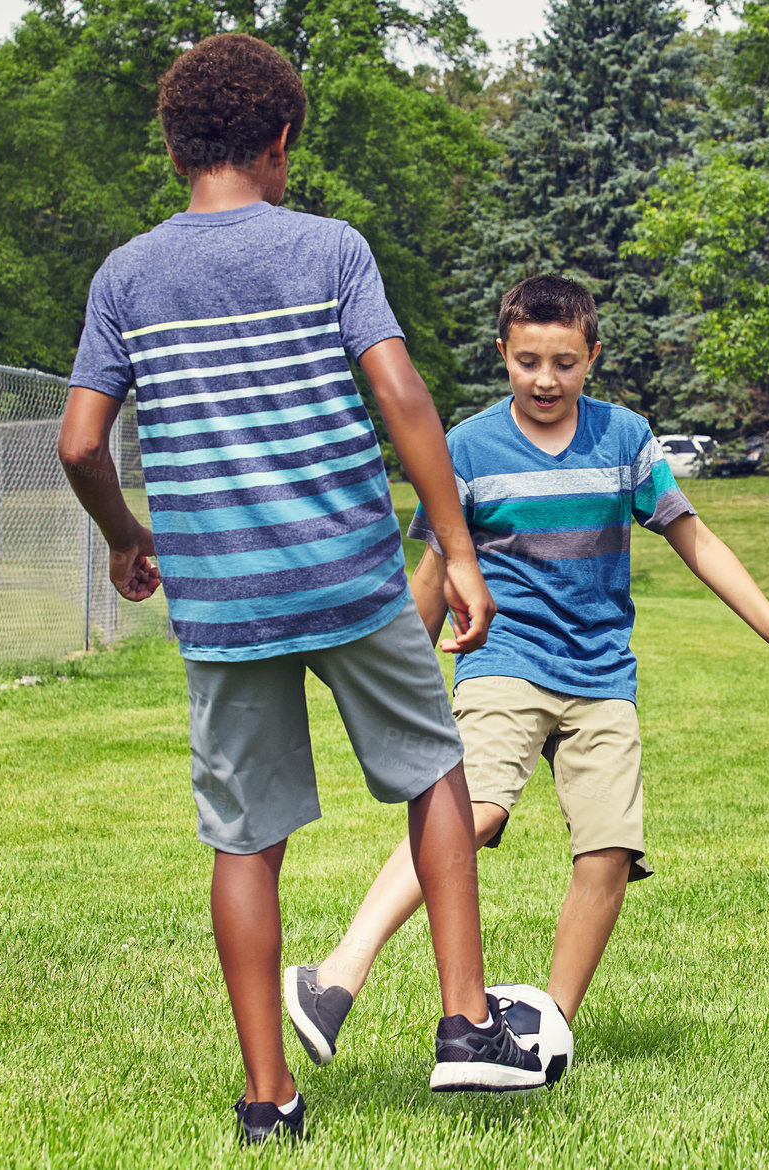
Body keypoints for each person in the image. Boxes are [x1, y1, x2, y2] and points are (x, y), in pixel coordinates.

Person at [55, 33, 542, 1146]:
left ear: (177, 146)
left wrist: (126, 534)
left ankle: (267, 1100)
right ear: (278, 144)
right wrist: (456, 547)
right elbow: (402, 396)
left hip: (223, 601)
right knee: (433, 773)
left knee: (244, 836)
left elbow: (82, 440)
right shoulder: (328, 250)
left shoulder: (127, 275)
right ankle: (465, 1026)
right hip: (348, 576)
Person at [283, 274, 769, 1075]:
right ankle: (335, 976)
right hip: (504, 659)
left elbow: (696, 539)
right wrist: (400, 682)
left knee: (608, 849)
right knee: (482, 810)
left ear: (592, 357)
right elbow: (430, 571)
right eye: (528, 360)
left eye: (565, 362)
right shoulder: (464, 448)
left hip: (603, 673)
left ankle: (544, 1035)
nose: (544, 379)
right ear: (502, 352)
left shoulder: (625, 439)